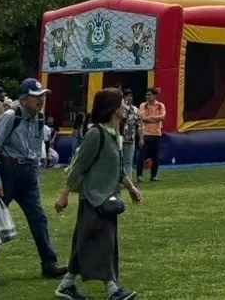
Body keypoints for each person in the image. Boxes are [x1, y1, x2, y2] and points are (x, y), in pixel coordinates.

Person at [53, 87, 144, 300]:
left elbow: (119, 169)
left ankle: (67, 284)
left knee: (86, 241)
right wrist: (64, 195)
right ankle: (112, 289)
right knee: (103, 242)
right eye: (121, 103)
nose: (126, 106)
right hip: (93, 199)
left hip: (107, 199)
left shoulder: (115, 134)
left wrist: (131, 188)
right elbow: (79, 167)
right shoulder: (96, 134)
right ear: (112, 108)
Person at [0, 79, 68, 279]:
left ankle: (49, 264)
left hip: (28, 173)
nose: (41, 100)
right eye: (36, 96)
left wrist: (37, 168)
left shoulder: (39, 118)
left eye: (43, 96)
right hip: (8, 172)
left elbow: (36, 147)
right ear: (24, 99)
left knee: (38, 218)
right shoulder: (10, 116)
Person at [137, 88, 166, 182]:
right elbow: (142, 118)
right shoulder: (143, 105)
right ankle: (139, 176)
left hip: (156, 134)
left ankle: (153, 176)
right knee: (141, 156)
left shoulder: (160, 105)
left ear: (154, 96)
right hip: (145, 134)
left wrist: (149, 118)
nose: (147, 96)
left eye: (149, 95)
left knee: (156, 157)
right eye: (146, 95)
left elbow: (163, 117)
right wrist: (156, 119)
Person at [120, 91, 141, 182]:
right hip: (119, 138)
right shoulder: (119, 108)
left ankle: (128, 181)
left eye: (130, 96)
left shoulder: (135, 110)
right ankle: (118, 180)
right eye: (127, 96)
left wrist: (141, 138)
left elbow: (139, 125)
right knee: (119, 160)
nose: (129, 98)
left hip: (130, 138)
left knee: (128, 161)